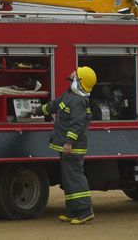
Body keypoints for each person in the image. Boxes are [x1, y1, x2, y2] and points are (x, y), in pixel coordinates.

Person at [38, 66, 97, 225]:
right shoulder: (70, 94)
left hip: (72, 147)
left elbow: (77, 124)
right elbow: (55, 104)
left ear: (80, 80)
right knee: (69, 180)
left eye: (75, 73)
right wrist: (37, 110)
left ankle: (85, 211)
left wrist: (69, 142)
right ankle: (73, 212)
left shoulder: (79, 101)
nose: (72, 72)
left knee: (75, 178)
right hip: (66, 146)